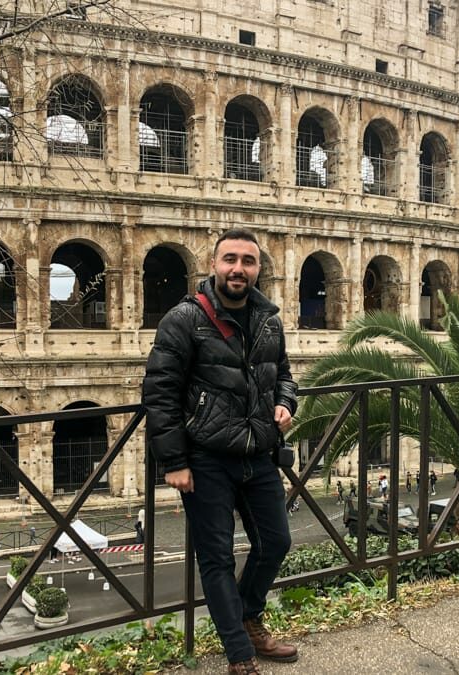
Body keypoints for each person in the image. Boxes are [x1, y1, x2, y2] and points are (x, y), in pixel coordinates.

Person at [143, 229, 299, 674]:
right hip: (206, 458)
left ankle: (249, 618)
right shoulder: (184, 319)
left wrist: (285, 402)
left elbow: (284, 374)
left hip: (258, 453)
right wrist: (173, 462)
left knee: (276, 542)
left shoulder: (269, 318)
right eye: (230, 259)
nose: (238, 268)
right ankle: (239, 653)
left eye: (247, 261)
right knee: (217, 557)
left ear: (257, 269)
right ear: (213, 265)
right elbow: (160, 393)